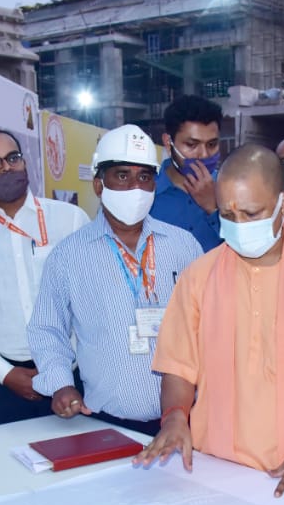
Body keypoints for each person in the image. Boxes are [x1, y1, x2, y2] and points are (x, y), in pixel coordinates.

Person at [135, 145, 284, 500]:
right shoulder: (198, 277)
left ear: (283, 205)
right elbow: (178, 367)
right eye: (227, 215)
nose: (238, 227)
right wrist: (174, 417)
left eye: (251, 214)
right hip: (219, 471)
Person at [28, 125, 202, 437]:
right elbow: (47, 329)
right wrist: (61, 385)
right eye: (122, 176)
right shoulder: (69, 256)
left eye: (144, 177)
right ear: (98, 184)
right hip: (108, 423)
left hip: (187, 420)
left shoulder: (183, 245)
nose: (135, 187)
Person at [0, 128, 88, 428]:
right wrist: (3, 372)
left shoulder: (70, 219)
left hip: (71, 378)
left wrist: (61, 370)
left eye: (13, 158)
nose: (6, 168)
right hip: (1, 386)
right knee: (1, 472)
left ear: (25, 163)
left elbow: (87, 302)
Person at [149, 95, 224, 252]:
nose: (203, 154)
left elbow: (248, 252)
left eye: (212, 144)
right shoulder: (146, 193)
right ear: (168, 143)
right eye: (192, 144)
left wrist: (213, 210)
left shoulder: (231, 189)